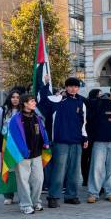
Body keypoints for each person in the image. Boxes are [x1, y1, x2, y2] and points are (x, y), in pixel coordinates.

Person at [38, 76, 88, 208]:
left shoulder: (81, 102)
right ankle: (53, 196)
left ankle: (71, 195)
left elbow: (83, 122)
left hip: (76, 141)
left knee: (74, 171)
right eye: (71, 86)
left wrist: (85, 137)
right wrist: (45, 84)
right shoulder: (57, 99)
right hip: (60, 141)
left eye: (76, 86)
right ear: (66, 87)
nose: (73, 88)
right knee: (58, 170)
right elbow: (42, 100)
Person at [86, 84, 111, 203]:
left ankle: (110, 192)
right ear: (110, 92)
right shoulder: (101, 103)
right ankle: (93, 193)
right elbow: (88, 102)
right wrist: (100, 98)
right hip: (100, 141)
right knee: (96, 167)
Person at [14, 94, 50, 215]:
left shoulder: (37, 117)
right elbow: (15, 137)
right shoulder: (16, 119)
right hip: (23, 155)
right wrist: (23, 150)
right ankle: (25, 205)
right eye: (32, 101)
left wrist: (46, 142)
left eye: (34, 101)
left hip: (37, 154)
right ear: (25, 103)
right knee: (23, 181)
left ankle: (35, 202)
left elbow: (42, 131)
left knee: (39, 179)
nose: (34, 103)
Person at [0, 89, 22, 205]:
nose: (15, 99)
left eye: (17, 97)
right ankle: (8, 195)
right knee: (8, 168)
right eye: (13, 97)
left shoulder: (24, 110)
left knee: (21, 171)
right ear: (9, 98)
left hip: (21, 145)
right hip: (7, 145)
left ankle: (22, 194)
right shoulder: (2, 110)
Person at [82, 88, 102, 187]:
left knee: (84, 159)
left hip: (85, 135)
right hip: (95, 135)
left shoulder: (85, 103)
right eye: (100, 94)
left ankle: (85, 179)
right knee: (93, 159)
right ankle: (91, 179)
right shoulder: (99, 104)